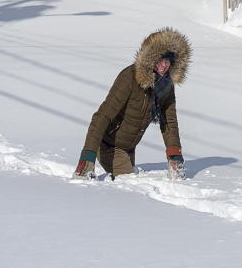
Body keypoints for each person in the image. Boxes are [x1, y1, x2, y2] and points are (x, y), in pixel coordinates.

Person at [74, 27, 190, 180]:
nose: (164, 65)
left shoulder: (165, 85)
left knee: (130, 181)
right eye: (160, 60)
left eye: (168, 60)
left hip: (129, 149)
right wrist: (87, 158)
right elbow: (102, 116)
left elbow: (169, 122)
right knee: (129, 182)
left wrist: (175, 156)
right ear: (150, 59)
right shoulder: (129, 78)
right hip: (108, 145)